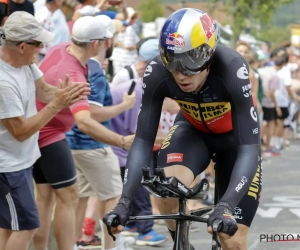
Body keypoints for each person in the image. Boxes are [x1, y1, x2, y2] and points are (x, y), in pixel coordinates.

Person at [104, 8, 262, 250]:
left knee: (232, 241)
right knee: (167, 193)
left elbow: (249, 148)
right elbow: (143, 141)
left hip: (236, 142)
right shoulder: (157, 71)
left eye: (190, 61)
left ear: (208, 54)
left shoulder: (232, 68)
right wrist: (124, 201)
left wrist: (226, 205)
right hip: (192, 132)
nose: (180, 73)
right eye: (171, 59)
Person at [32, 16, 134, 250]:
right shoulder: (76, 76)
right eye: (107, 41)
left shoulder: (59, 48)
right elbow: (85, 122)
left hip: (38, 133)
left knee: (45, 199)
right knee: (69, 198)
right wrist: (121, 140)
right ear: (97, 44)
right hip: (52, 136)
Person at [0, 11, 89, 250]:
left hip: (19, 162)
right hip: (7, 167)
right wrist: (58, 104)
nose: (42, 47)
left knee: (11, 225)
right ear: (21, 46)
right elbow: (21, 131)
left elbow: (43, 91)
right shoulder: (3, 82)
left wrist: (67, 95)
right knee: (27, 227)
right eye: (38, 43)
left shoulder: (26, 64)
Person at [66, 15, 136, 250]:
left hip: (72, 142)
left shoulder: (76, 62)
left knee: (79, 198)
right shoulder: (93, 69)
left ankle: (74, 244)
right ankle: (114, 246)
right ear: (102, 42)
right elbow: (93, 114)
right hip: (92, 145)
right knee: (113, 198)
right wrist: (123, 107)